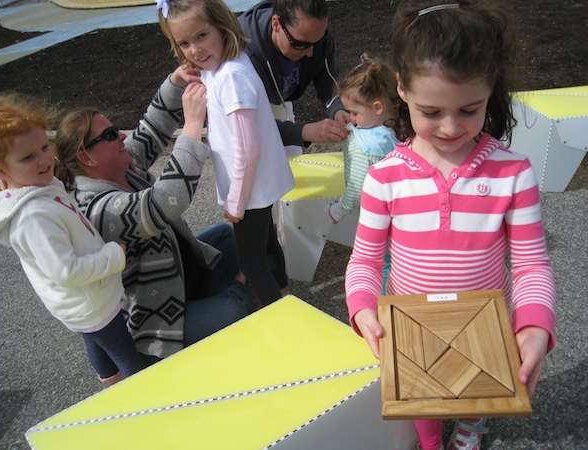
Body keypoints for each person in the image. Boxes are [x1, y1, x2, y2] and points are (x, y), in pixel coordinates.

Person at [344, 2, 556, 450]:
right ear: (400, 87)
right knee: (426, 403)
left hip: (488, 326)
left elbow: (531, 264)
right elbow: (364, 259)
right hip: (412, 327)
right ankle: (431, 441)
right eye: (432, 111)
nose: (450, 126)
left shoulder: (512, 172)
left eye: (469, 109)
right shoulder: (385, 177)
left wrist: (535, 325)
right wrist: (363, 307)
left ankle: (471, 428)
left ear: (490, 89)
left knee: (477, 390)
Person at [55, 66, 255, 359]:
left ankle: (223, 297)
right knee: (237, 307)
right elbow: (165, 201)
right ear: (86, 157)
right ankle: (235, 295)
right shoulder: (97, 209)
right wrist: (193, 124)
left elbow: (153, 126)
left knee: (225, 235)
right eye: (110, 135)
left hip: (176, 278)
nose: (122, 135)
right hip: (157, 317)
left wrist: (177, 80)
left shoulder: (122, 166)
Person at [0, 93, 146, 387]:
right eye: (28, 157)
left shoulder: (33, 185)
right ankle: (146, 396)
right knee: (124, 351)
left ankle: (109, 382)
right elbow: (67, 271)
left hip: (80, 304)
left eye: (44, 147)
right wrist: (113, 255)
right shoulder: (33, 216)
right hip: (91, 299)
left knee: (96, 341)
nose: (44, 159)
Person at [158, 0, 295, 307]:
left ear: (223, 28)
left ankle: (278, 316)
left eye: (201, 36)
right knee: (267, 242)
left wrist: (236, 200)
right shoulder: (220, 66)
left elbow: (248, 149)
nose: (194, 49)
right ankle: (283, 293)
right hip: (256, 184)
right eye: (184, 43)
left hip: (249, 188)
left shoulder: (232, 77)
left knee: (251, 261)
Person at [238, 0, 350, 154]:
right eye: (300, 44)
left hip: (279, 102)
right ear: (276, 24)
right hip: (243, 117)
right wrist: (306, 131)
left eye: (317, 42)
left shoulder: (314, 36)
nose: (310, 52)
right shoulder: (241, 51)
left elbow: (329, 87)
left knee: (290, 160)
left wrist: (338, 109)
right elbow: (249, 127)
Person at [328, 54, 398, 295]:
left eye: (354, 113)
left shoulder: (364, 146)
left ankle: (384, 301)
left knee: (381, 261)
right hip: (401, 210)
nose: (352, 119)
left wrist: (339, 209)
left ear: (377, 107)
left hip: (377, 214)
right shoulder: (395, 131)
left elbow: (358, 188)